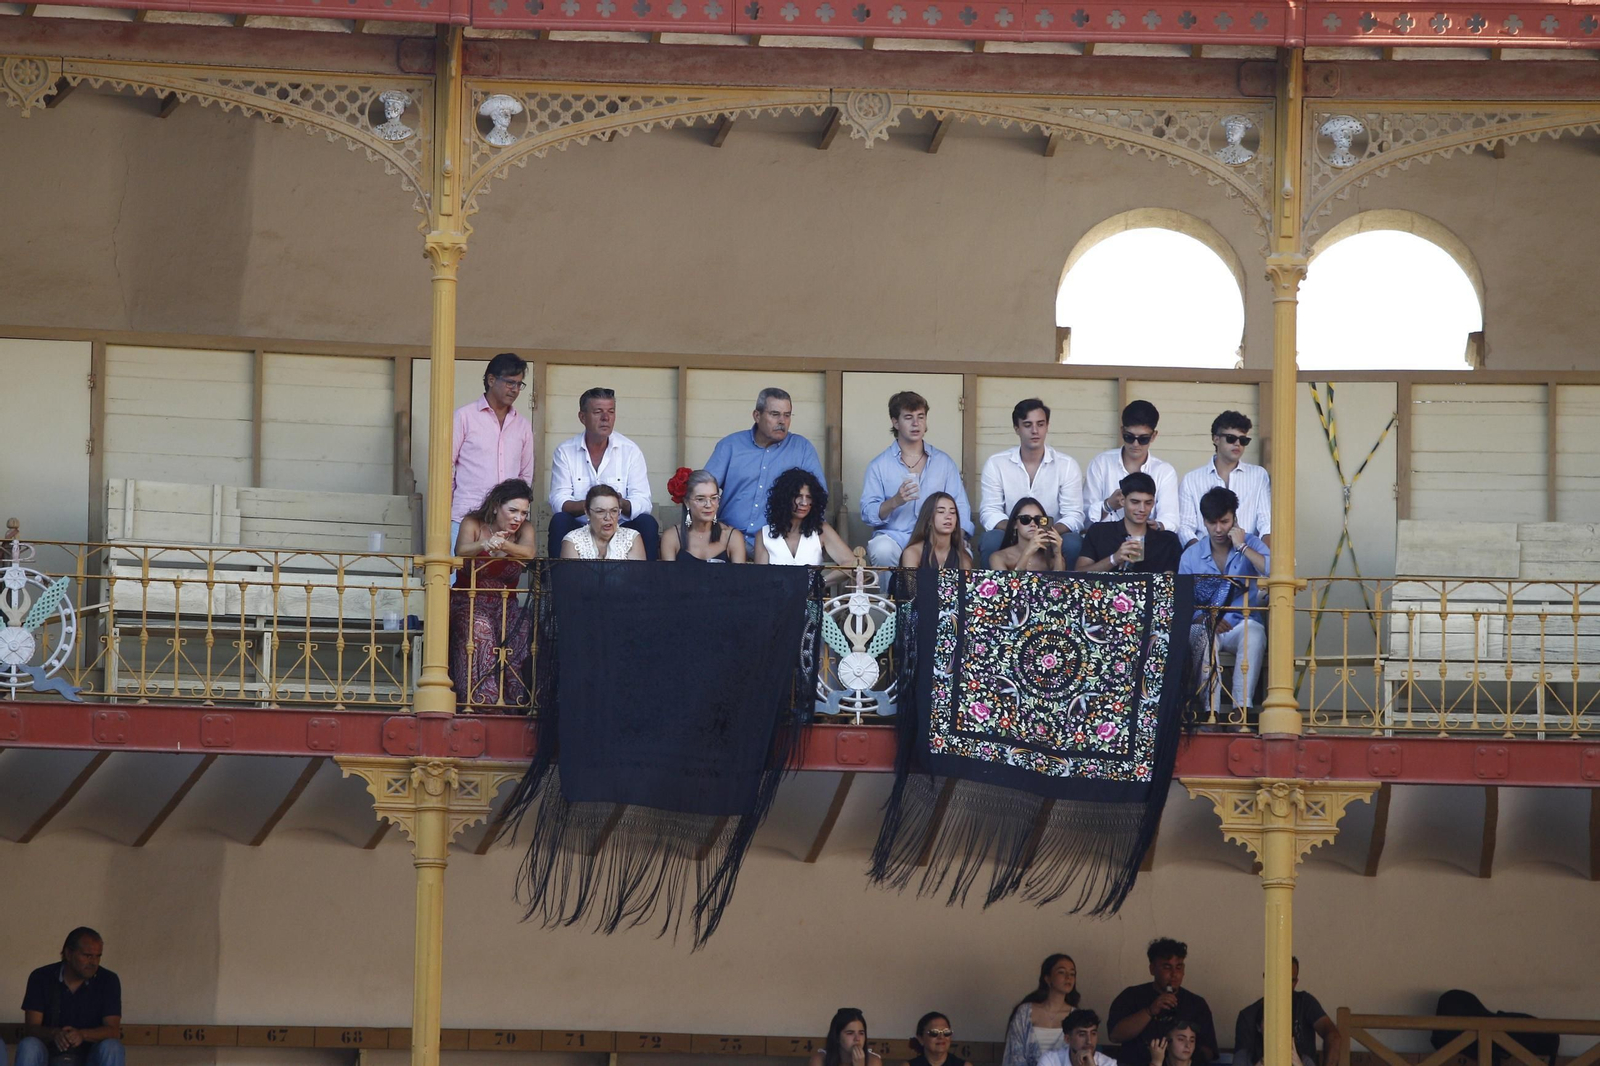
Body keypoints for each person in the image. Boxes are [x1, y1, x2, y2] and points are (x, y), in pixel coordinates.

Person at [1179, 487, 1269, 720]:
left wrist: (1242, 547)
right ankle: (1212, 713)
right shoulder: (1191, 555)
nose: (1218, 529)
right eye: (1212, 523)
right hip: (1207, 623)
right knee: (1202, 637)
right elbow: (1183, 600)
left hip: (1243, 622)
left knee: (1254, 636)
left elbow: (1274, 570)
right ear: (1204, 522)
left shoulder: (1250, 543)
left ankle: (1241, 711)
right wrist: (1207, 619)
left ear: (1234, 519)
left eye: (1224, 521)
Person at [450, 478, 538, 710]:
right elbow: (461, 550)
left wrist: (504, 545)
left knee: (523, 626)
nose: (518, 518)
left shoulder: (525, 529)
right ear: (497, 506)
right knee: (480, 628)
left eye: (523, 512)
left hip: (506, 604)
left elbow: (529, 553)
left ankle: (514, 700)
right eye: (513, 510)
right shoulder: (473, 522)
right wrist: (485, 543)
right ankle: (481, 700)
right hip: (468, 601)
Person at [703, 387, 828, 550]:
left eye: (787, 415)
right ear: (757, 415)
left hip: (778, 542)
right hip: (727, 539)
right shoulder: (730, 446)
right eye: (775, 414)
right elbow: (702, 491)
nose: (782, 421)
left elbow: (818, 497)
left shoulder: (802, 449)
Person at [860, 391, 973, 568]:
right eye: (908, 417)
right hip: (896, 537)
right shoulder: (879, 465)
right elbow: (868, 513)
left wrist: (959, 538)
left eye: (921, 417)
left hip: (936, 537)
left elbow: (961, 506)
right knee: (882, 549)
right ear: (895, 422)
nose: (916, 423)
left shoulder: (944, 462)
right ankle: (893, 588)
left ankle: (946, 589)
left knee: (964, 554)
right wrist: (895, 501)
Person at [547, 387, 659, 559]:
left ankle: (648, 577)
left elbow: (643, 501)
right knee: (559, 521)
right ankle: (557, 576)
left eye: (611, 412)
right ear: (582, 417)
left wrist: (617, 504)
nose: (606, 418)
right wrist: (593, 507)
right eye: (598, 412)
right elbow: (559, 500)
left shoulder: (630, 450)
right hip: (581, 525)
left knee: (647, 522)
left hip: (620, 525)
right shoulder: (565, 451)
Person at [978, 398, 1085, 567]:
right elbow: (989, 512)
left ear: (1047, 426)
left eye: (1040, 424)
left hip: (1052, 533)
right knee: (991, 540)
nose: (1035, 431)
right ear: (1017, 428)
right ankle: (991, 585)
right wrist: (1019, 530)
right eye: (1027, 425)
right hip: (1012, 533)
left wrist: (1045, 533)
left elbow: (1074, 515)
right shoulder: (996, 463)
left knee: (1073, 543)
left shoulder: (1067, 465)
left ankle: (1065, 585)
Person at [450, 352, 535, 561]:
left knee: (500, 579)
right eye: (510, 382)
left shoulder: (523, 425)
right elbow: (446, 467)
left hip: (506, 523)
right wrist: (448, 508)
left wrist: (516, 512)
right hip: (465, 514)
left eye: (519, 384)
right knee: (458, 577)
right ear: (491, 380)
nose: (515, 389)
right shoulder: (464, 417)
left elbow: (525, 475)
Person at [17, 927, 124, 1066]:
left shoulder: (108, 980)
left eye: (98, 956)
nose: (94, 962)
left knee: (112, 1047)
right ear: (68, 953)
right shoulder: (41, 977)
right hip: (48, 1055)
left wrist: (82, 1035)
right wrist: (55, 1033)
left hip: (91, 1056)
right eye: (87, 955)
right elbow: (31, 1028)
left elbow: (113, 1030)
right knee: (29, 1045)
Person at [1108, 938, 1218, 1066]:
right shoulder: (1131, 996)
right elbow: (1115, 1036)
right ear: (1152, 969)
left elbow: (1209, 1051)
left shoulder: (1196, 1004)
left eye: (1178, 967)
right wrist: (1149, 1011)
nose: (1174, 974)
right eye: (1167, 967)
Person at [1177, 411, 1271, 548]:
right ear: (1216, 439)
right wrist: (1200, 554)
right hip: (1204, 554)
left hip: (1247, 553)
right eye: (1231, 438)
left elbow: (1266, 522)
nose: (1237, 444)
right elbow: (1185, 527)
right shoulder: (1191, 480)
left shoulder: (1259, 475)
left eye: (1243, 440)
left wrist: (1264, 555)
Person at [1082, 401, 1179, 532]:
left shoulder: (1164, 471)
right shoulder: (1101, 463)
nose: (1135, 444)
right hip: (1105, 537)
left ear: (1153, 436)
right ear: (1122, 431)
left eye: (1143, 439)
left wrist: (1154, 526)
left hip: (1148, 537)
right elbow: (1085, 518)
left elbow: (1170, 520)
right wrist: (1108, 505)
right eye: (1129, 437)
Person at [1233, 958, 1342, 1066]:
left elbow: (1334, 1037)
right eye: (1278, 978)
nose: (1283, 985)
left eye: (1290, 980)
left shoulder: (1305, 1003)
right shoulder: (1248, 1016)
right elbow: (1241, 1059)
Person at [1076, 474, 1183, 573]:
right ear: (1122, 501)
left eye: (1148, 503)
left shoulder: (1168, 541)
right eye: (1135, 502)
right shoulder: (1099, 532)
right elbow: (1078, 575)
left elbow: (1178, 582)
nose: (1142, 509)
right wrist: (1113, 559)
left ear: (1153, 503)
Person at [755, 468, 855, 567]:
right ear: (784, 499)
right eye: (798, 496)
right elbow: (760, 575)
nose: (804, 503)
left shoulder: (821, 530)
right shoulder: (763, 535)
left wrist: (821, 578)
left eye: (809, 497)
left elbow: (851, 563)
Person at [1002, 954, 1082, 1066]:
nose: (1068, 977)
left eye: (1072, 974)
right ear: (1047, 978)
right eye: (1061, 972)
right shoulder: (1025, 1012)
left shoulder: (1077, 1016)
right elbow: (1014, 1054)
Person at [660, 469, 747, 563]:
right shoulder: (672, 537)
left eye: (714, 498)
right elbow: (668, 572)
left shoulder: (732, 537)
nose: (708, 505)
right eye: (700, 499)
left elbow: (739, 572)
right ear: (687, 502)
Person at [558, 484, 647, 560]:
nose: (608, 517)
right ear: (587, 512)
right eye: (600, 511)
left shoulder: (632, 538)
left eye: (614, 511)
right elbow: (571, 575)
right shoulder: (573, 540)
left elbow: (637, 575)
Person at [987, 498, 1067, 573]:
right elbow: (1011, 583)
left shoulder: (1052, 558)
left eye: (1038, 519)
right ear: (1015, 524)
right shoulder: (998, 558)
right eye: (1025, 519)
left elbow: (1059, 582)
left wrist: (1057, 554)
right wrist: (1027, 553)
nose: (1032, 524)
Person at [899, 492, 973, 571]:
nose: (948, 517)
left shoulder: (963, 558)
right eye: (941, 511)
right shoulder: (913, 553)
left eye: (952, 512)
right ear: (929, 519)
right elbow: (909, 579)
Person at [1038, 1009, 1117, 1066]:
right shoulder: (1050, 1060)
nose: (1089, 1041)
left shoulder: (1108, 1063)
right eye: (1082, 1034)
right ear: (1067, 1039)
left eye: (1093, 1033)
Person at [810, 1008, 884, 1066]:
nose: (857, 1039)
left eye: (861, 1033)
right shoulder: (819, 1060)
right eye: (850, 1033)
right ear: (837, 1036)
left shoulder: (873, 1061)